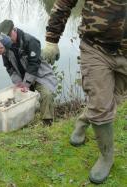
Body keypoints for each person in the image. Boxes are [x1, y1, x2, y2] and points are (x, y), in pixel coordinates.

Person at [42, 0, 127, 184]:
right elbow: (64, 3)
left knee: (114, 100)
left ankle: (83, 120)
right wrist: (51, 39)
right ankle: (107, 157)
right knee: (101, 105)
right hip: (96, 48)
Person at [0, 20, 57, 126]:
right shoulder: (5, 46)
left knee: (46, 94)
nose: (8, 39)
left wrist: (26, 84)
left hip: (40, 75)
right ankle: (25, 120)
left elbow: (34, 64)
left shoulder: (30, 41)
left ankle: (47, 123)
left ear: (14, 30)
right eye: (5, 38)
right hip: (21, 77)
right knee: (19, 96)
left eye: (9, 35)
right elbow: (9, 67)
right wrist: (18, 82)